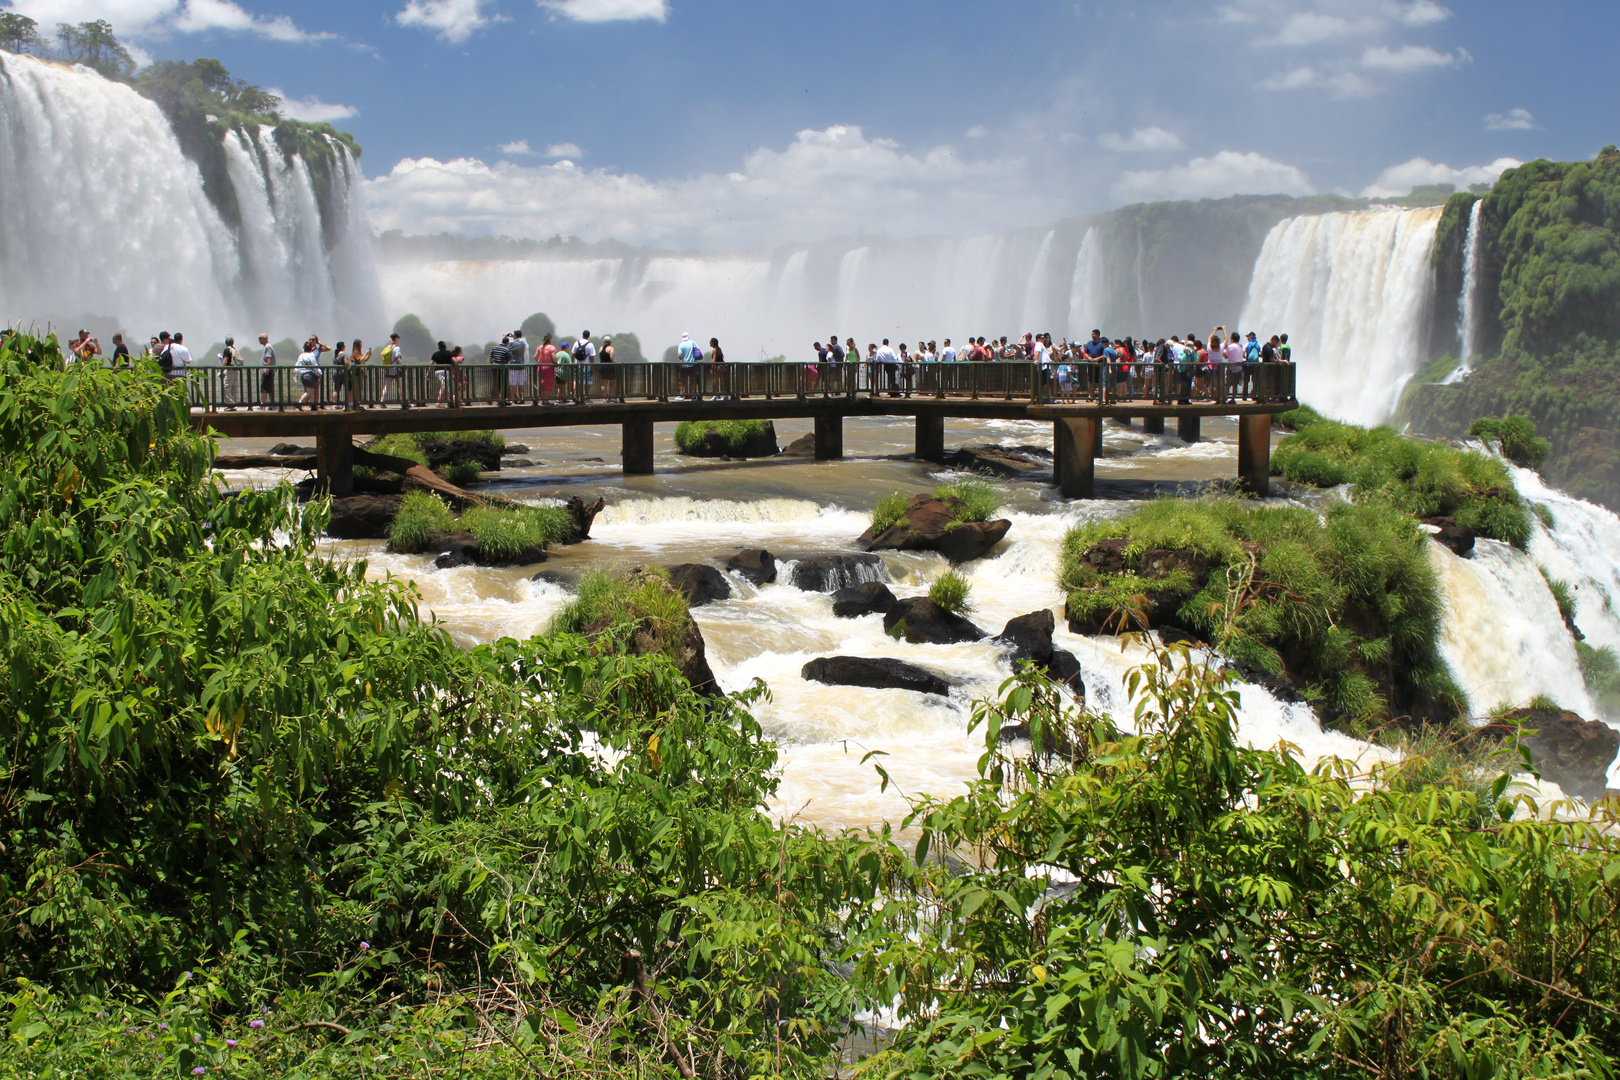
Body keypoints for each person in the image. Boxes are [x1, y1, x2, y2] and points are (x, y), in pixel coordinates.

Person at [379, 332, 406, 407]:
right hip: (396, 370)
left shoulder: (388, 347)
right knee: (400, 386)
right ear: (396, 338)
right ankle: (404, 402)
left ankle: (382, 401)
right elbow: (397, 359)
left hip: (388, 369)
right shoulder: (397, 348)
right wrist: (402, 367)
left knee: (387, 386)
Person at [295, 342, 320, 410]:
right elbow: (315, 366)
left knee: (311, 390)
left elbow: (297, 365)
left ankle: (313, 406)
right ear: (311, 348)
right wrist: (319, 374)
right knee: (309, 392)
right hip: (310, 375)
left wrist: (296, 375)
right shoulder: (311, 355)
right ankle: (299, 403)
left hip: (303, 375)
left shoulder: (301, 355)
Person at [218, 336, 241, 409]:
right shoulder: (235, 350)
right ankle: (234, 403)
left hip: (230, 370)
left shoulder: (227, 350)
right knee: (234, 387)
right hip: (236, 370)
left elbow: (225, 361)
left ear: (226, 343)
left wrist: (222, 371)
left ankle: (230, 404)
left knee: (226, 387)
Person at [506, 329, 529, 401]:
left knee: (513, 383)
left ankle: (512, 398)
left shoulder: (511, 343)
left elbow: (507, 349)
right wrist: (516, 336)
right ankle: (522, 398)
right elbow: (523, 339)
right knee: (521, 382)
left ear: (515, 335)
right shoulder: (524, 343)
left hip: (513, 365)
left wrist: (506, 337)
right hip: (521, 364)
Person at [430, 340, 454, 406]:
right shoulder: (449, 353)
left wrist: (428, 372)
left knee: (444, 386)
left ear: (439, 347)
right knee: (444, 386)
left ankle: (451, 401)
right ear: (445, 346)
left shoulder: (435, 354)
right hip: (446, 372)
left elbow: (431, 363)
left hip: (437, 372)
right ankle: (439, 401)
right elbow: (454, 361)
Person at [256, 334, 276, 409]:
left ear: (265, 338)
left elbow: (269, 358)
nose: (259, 340)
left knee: (264, 388)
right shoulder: (267, 346)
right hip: (268, 370)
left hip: (267, 371)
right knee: (269, 388)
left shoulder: (267, 347)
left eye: (260, 338)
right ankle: (272, 404)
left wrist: (267, 369)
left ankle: (263, 404)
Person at [537, 333, 557, 402]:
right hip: (549, 368)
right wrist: (555, 363)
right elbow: (554, 358)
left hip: (540, 367)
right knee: (548, 384)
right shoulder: (551, 348)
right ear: (550, 339)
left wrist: (540, 362)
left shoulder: (540, 347)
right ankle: (546, 400)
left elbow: (535, 357)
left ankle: (543, 400)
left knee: (542, 383)